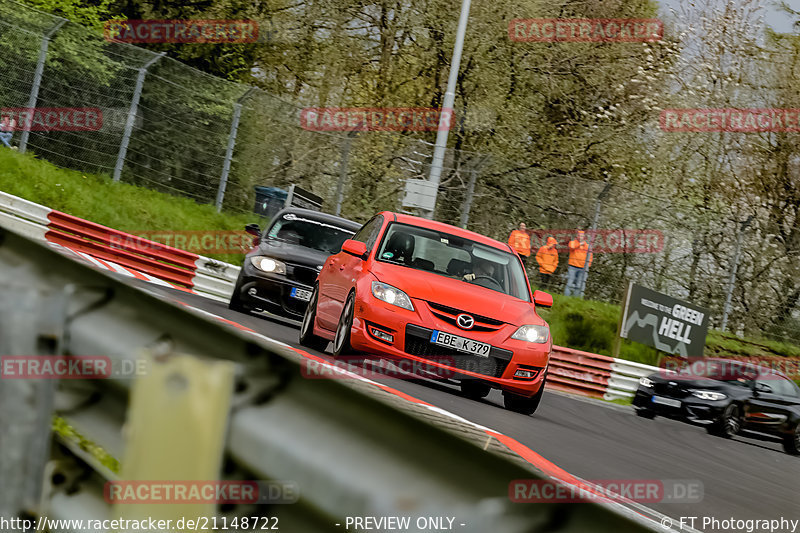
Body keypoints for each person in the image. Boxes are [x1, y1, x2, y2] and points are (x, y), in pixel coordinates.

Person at [565, 230, 592, 297]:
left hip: (582, 268)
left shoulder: (587, 246)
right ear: (577, 236)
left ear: (584, 237)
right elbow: (572, 247)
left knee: (579, 285)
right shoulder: (572, 242)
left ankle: (575, 299)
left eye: (582, 236)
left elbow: (590, 256)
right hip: (572, 266)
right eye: (579, 235)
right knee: (569, 283)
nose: (580, 237)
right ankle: (565, 298)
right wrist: (580, 244)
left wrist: (588, 266)